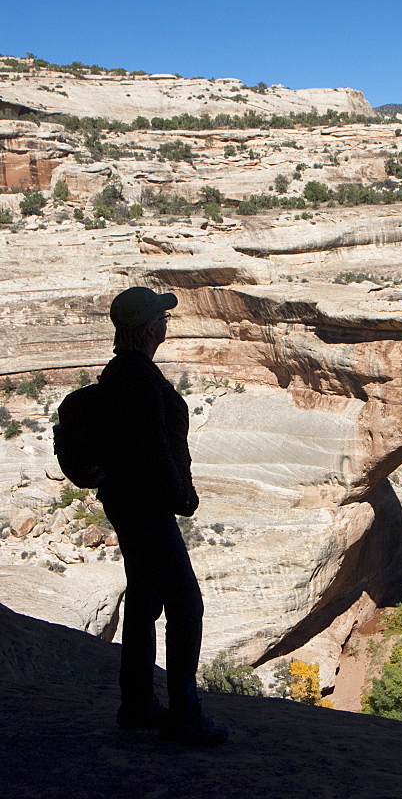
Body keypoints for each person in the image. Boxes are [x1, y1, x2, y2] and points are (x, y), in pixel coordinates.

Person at [97, 286, 228, 746]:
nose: (166, 323)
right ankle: (184, 714)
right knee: (186, 603)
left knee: (145, 599)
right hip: (146, 506)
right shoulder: (137, 379)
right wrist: (181, 497)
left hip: (127, 501)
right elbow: (152, 449)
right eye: (162, 318)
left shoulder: (121, 373)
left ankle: (136, 704)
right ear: (149, 327)